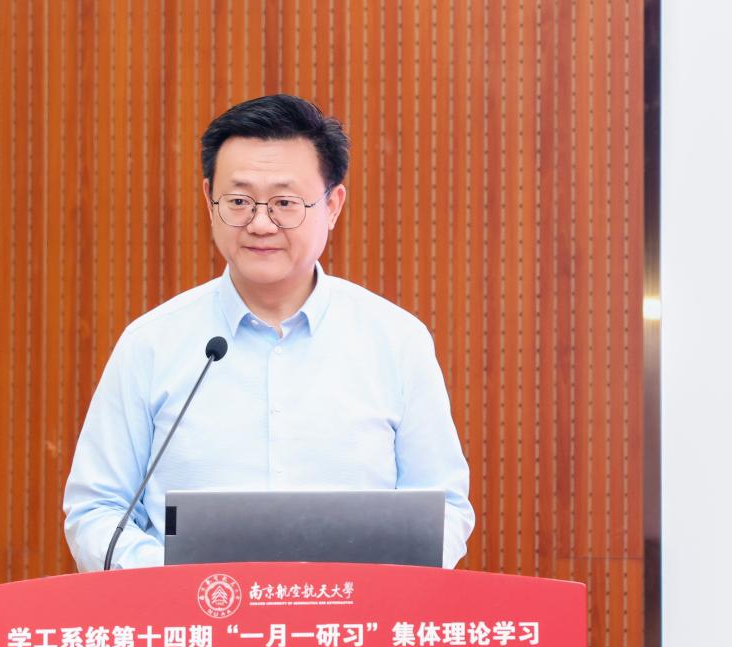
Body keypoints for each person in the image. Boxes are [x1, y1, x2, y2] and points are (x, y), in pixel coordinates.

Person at [63, 94, 475, 571]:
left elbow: (444, 509)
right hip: (194, 615)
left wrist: (374, 586)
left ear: (332, 205)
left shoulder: (396, 341)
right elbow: (97, 511)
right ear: (209, 201)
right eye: (239, 201)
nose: (260, 223)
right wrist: (179, 584)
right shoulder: (151, 344)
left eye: (284, 203)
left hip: (351, 615)